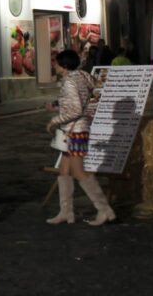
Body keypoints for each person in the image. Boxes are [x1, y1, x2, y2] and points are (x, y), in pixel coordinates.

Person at [45, 50, 116, 226]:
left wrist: (55, 121)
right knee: (64, 170)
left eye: (57, 63)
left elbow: (75, 109)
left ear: (64, 65)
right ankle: (66, 212)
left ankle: (104, 210)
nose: (55, 65)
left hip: (75, 131)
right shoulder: (83, 77)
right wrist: (58, 105)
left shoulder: (69, 81)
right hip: (77, 129)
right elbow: (79, 101)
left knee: (78, 171)